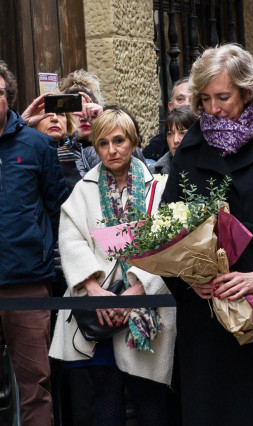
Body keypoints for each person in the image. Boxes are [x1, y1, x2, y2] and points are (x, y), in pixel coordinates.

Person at [161, 44, 253, 426]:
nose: (214, 109)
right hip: (208, 308)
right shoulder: (190, 148)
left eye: (223, 97)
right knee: (213, 409)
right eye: (206, 99)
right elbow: (166, 228)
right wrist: (188, 279)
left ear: (247, 91)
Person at [49, 107, 177, 426]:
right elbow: (71, 238)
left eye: (118, 141)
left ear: (133, 142)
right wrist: (93, 288)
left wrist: (138, 288)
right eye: (102, 143)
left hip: (145, 307)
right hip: (99, 308)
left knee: (149, 399)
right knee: (106, 397)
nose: (111, 150)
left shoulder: (157, 188)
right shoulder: (84, 189)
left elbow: (169, 244)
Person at [0, 60, 68, 425]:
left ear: (8, 97)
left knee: (35, 388)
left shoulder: (38, 145)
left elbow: (56, 207)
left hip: (26, 283)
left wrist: (42, 255)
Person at [143, 77, 192, 162]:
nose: (186, 104)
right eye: (180, 99)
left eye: (193, 99)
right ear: (170, 106)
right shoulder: (155, 150)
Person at [151, 106, 197, 175]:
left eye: (182, 133)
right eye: (170, 134)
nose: (175, 140)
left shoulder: (209, 169)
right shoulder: (154, 171)